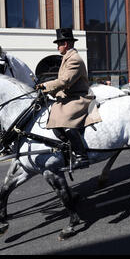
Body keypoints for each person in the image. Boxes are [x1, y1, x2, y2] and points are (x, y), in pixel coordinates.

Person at [36, 28, 101, 169]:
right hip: (69, 96)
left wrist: (45, 86)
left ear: (65, 44)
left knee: (65, 121)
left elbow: (65, 81)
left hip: (79, 97)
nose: (57, 47)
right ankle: (67, 149)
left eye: (58, 44)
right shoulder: (68, 58)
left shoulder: (74, 59)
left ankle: (81, 156)